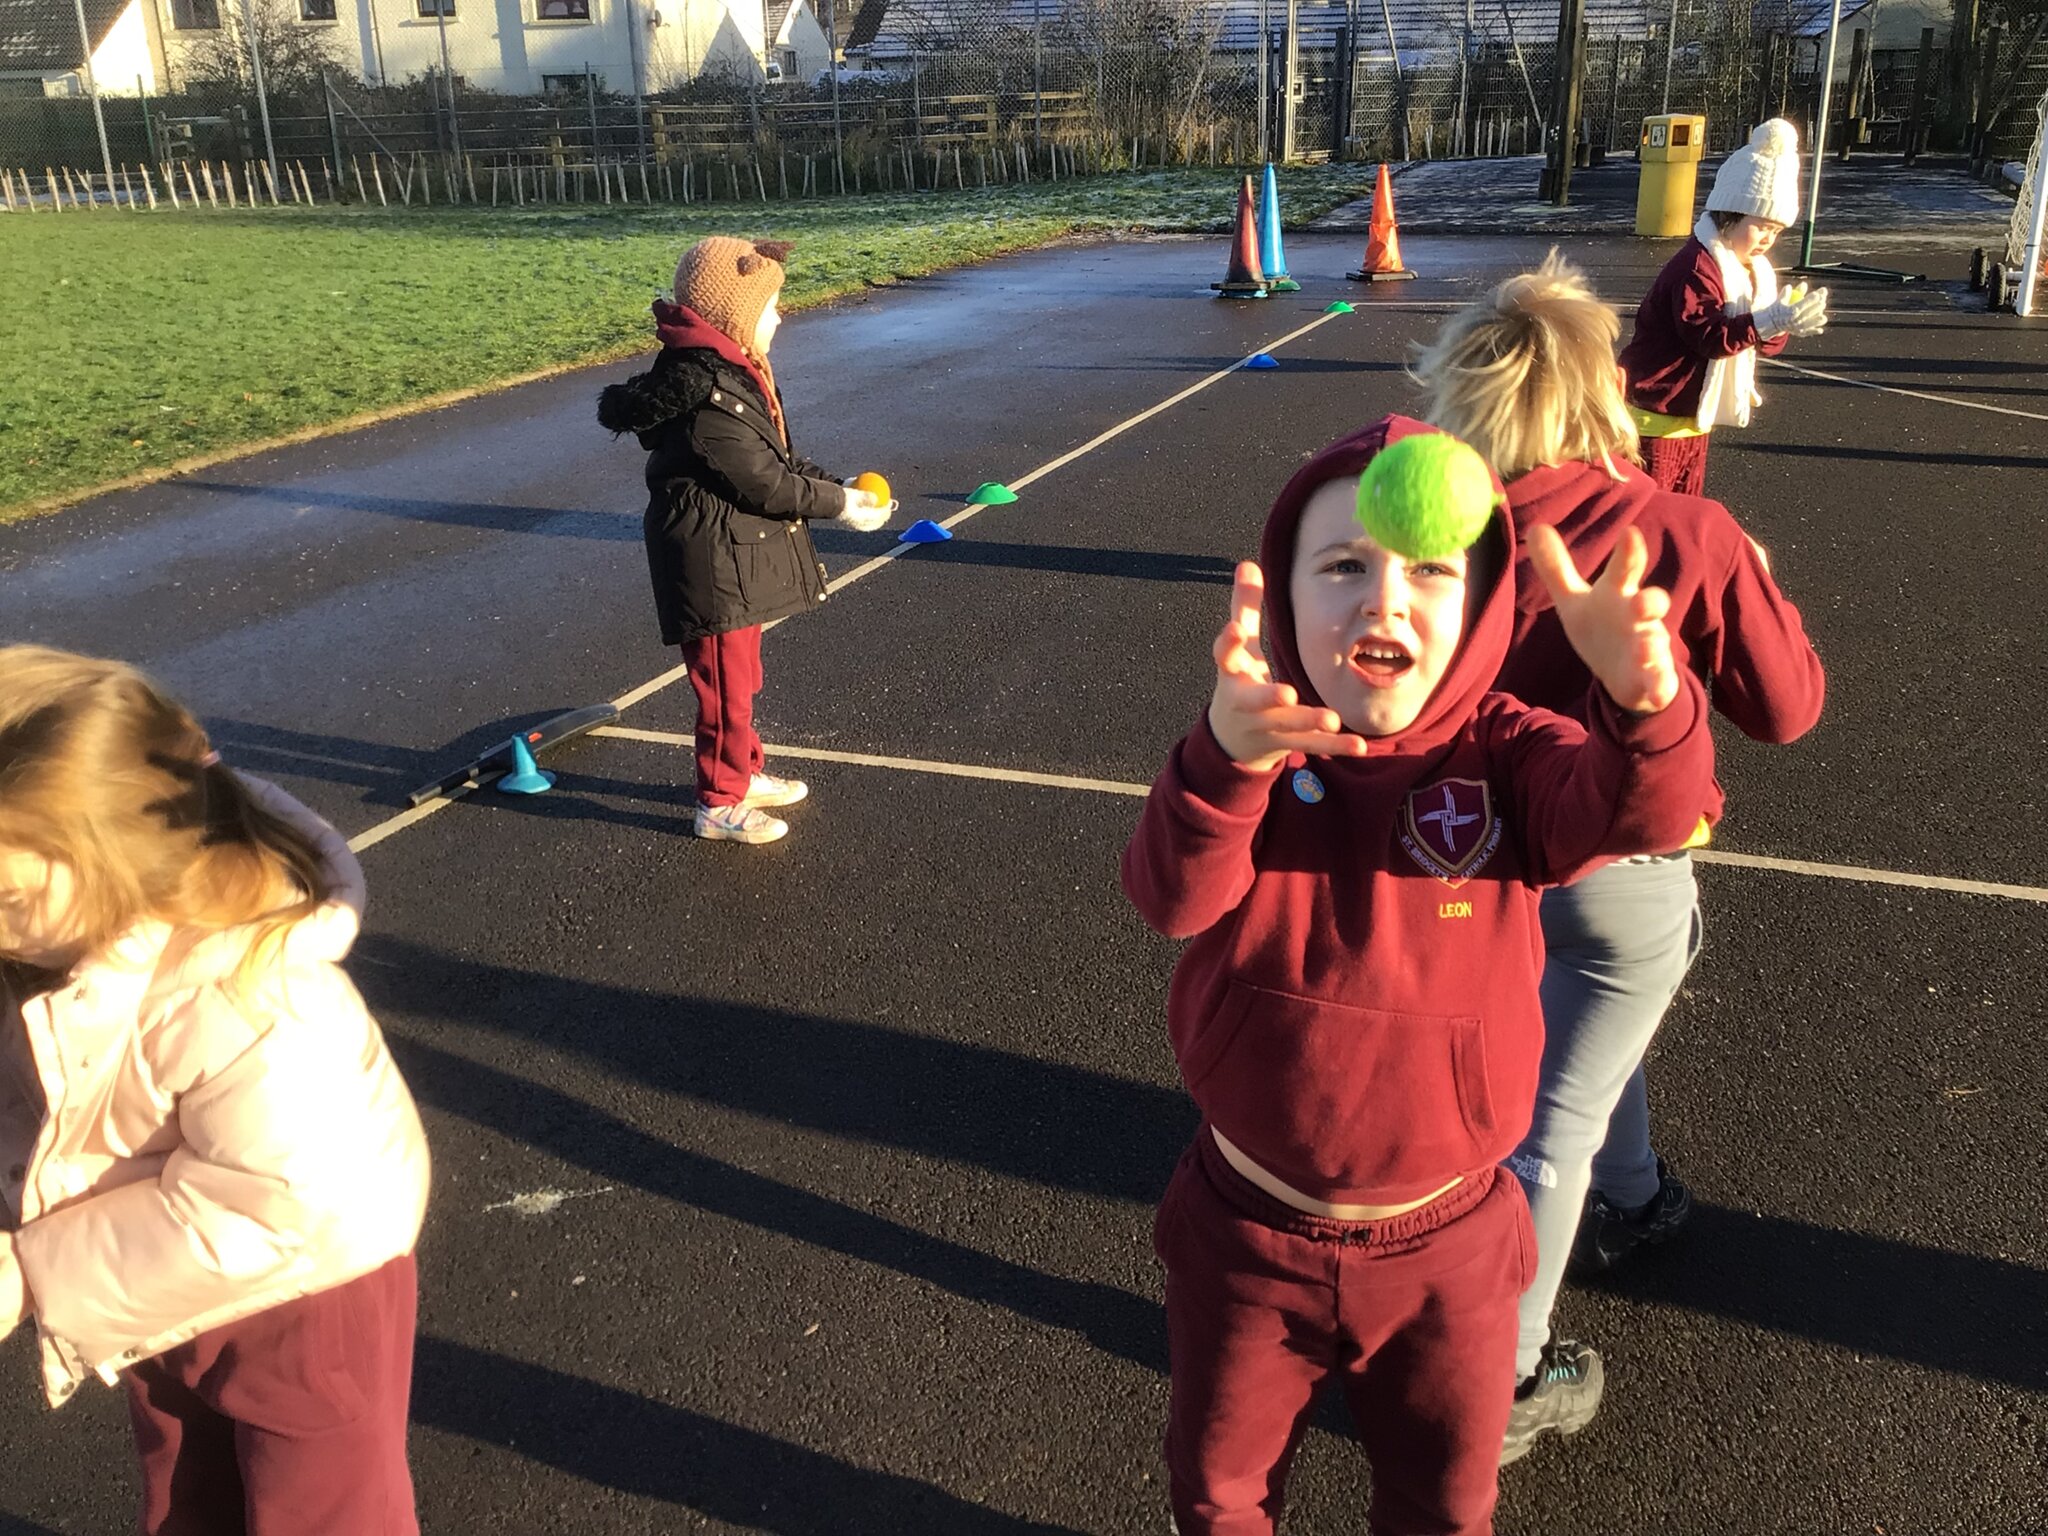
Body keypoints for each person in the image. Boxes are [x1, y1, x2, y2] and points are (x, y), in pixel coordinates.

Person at [1121, 415, 1715, 1536]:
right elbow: (1172, 898)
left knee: (1443, 1501)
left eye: (1429, 570)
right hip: (1247, 1234)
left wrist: (1645, 706)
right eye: (1342, 565)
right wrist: (1218, 761)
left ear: (1484, 604)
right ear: (1279, 598)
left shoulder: (1509, 751)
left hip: (1450, 1246)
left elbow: (1643, 809)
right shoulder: (1253, 743)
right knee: (1220, 1488)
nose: (1382, 600)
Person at [1414, 252, 1826, 1464]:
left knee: (1585, 1034)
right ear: (1597, 389)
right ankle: (1500, 1377)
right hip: (1612, 863)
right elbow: (1786, 705)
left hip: (1461, 852)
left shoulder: (1433, 520)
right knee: (1552, 1117)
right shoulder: (1674, 531)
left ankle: (1633, 1194)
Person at [0, 645, 432, 1535]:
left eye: (6, 896)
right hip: (148, 1263)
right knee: (185, 1489)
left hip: (310, 1292)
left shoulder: (250, 990)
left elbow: (285, 1206)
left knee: (319, 1508)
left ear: (124, 861)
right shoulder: (46, 941)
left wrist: (34, 1271)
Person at [598, 236, 892, 845]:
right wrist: (843, 504)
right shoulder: (707, 396)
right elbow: (764, 483)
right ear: (735, 315)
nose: (781, 316)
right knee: (725, 689)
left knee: (744, 677)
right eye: (771, 306)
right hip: (711, 561)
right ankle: (718, 801)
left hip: (736, 553)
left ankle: (744, 769)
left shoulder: (733, 374)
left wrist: (837, 485)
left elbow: (777, 459)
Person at [1620, 118, 1831, 495]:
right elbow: (1709, 336)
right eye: (1761, 225)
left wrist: (1782, 323)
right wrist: (1768, 321)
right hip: (1653, 413)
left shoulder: (1748, 269)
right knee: (1649, 513)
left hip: (1690, 417)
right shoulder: (1696, 267)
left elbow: (1758, 340)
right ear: (1730, 214)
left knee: (1683, 513)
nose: (1768, 238)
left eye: (1777, 231)